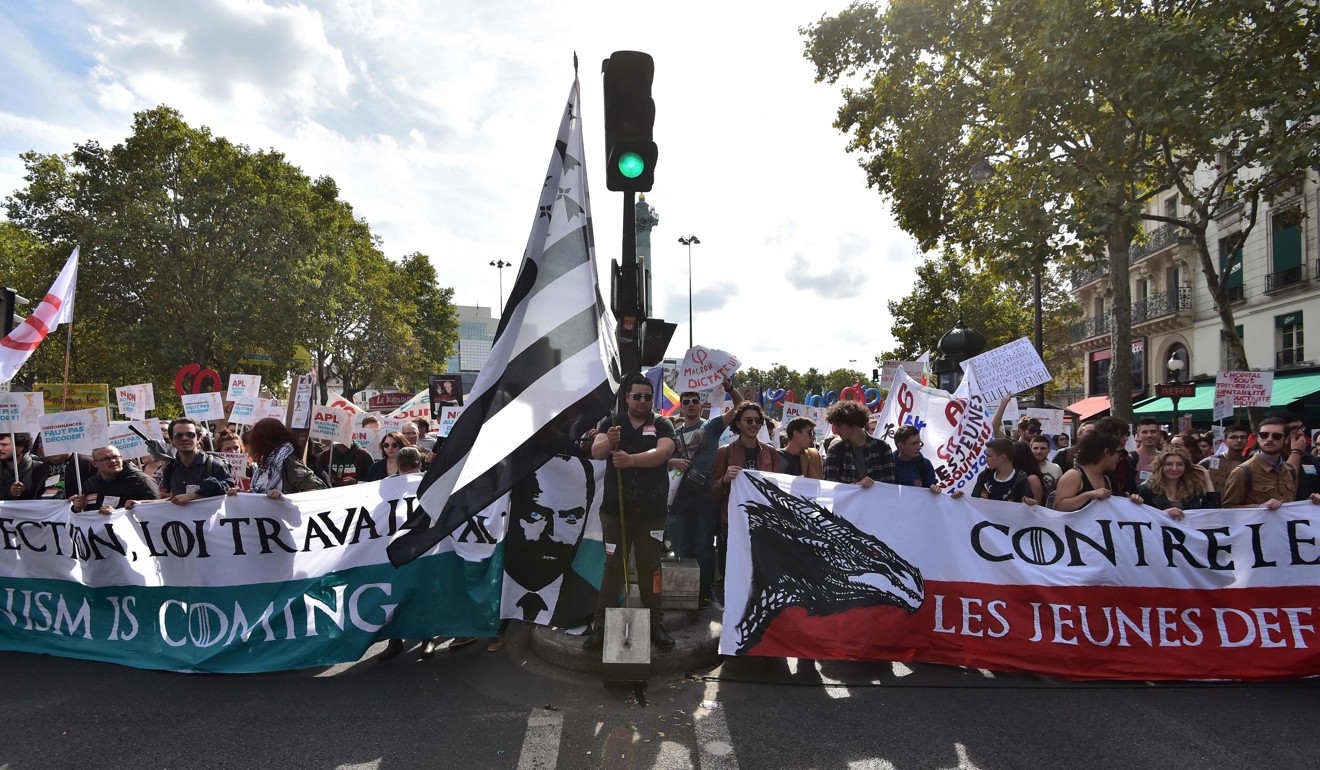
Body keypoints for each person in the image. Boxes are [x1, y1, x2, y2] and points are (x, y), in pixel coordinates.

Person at [583, 374, 676, 652]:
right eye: (637, 396)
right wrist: (608, 441)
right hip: (615, 512)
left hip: (652, 513)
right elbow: (597, 452)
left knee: (651, 568)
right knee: (612, 567)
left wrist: (630, 460)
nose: (643, 401)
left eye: (647, 397)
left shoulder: (662, 423)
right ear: (627, 397)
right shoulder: (611, 423)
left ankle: (656, 624)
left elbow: (663, 453)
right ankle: (600, 627)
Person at [666, 378, 741, 610]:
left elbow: (740, 406)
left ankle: (706, 592)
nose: (690, 404)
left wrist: (729, 388)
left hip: (705, 495)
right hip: (680, 496)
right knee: (681, 545)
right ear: (681, 406)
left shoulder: (711, 426)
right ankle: (683, 591)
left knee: (704, 546)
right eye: (686, 401)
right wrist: (671, 460)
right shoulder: (672, 432)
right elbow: (660, 456)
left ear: (700, 405)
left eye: (694, 401)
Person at [710, 402, 782, 606]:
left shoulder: (771, 453)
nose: (754, 424)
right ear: (738, 424)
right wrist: (725, 480)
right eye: (748, 420)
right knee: (733, 572)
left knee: (759, 571)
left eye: (757, 421)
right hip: (732, 522)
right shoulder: (725, 452)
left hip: (761, 523)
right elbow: (713, 493)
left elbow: (777, 490)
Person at [1223, 416, 1320, 509]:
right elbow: (1228, 508)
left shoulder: (1291, 471)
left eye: (1276, 436)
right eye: (1264, 435)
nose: (1269, 439)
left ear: (1286, 439)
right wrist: (1260, 507)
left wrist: (1309, 503)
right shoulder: (1242, 471)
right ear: (1258, 438)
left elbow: (1290, 506)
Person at [153, 418, 232, 505]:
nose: (184, 438)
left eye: (190, 434)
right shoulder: (170, 468)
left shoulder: (214, 464)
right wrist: (141, 503)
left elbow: (228, 488)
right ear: (171, 440)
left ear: (198, 438)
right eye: (179, 435)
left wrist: (194, 496)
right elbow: (173, 498)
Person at [244, 418, 326, 500]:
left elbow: (318, 488)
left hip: (284, 512)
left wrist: (285, 497)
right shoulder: (264, 465)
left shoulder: (289, 462)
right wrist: (241, 493)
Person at [1130, 447, 1219, 521]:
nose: (1174, 468)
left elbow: (1213, 514)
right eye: (1169, 464)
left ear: (1186, 467)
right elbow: (1140, 518)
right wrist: (1163, 514)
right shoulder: (1147, 489)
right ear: (1161, 466)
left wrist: (1208, 481)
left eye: (1180, 464)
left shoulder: (1195, 489)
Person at [824, 400, 895, 487]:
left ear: (852, 421)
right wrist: (856, 486)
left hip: (877, 500)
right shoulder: (835, 450)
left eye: (838, 425)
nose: (836, 430)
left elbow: (890, 486)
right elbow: (830, 487)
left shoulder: (883, 448)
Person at [69, 446, 159, 514]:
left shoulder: (141, 481)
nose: (112, 461)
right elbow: (84, 513)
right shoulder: (90, 484)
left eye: (116, 457)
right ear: (94, 463)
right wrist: (77, 508)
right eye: (106, 459)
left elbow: (155, 511)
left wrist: (118, 514)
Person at [1052, 432, 1124, 512]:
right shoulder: (1074, 476)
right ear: (1107, 452)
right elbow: (1060, 506)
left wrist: (1131, 503)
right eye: (1118, 454)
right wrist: (1088, 495)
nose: (1119, 459)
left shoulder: (1106, 479)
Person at [959, 439, 1035, 504]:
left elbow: (1026, 508)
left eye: (989, 456)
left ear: (1002, 458)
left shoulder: (1020, 479)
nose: (985, 459)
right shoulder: (985, 476)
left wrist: (1028, 502)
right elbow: (974, 502)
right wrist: (961, 498)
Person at [1277, 411, 1320, 501]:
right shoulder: (1270, 459)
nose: (1300, 433)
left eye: (1301, 428)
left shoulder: (1309, 459)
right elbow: (1285, 481)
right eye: (1294, 429)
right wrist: (1296, 452)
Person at [1093, 416, 1137, 496]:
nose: (1126, 438)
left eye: (1127, 434)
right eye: (1120, 435)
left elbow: (1132, 490)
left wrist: (1134, 497)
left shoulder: (1127, 459)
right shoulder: (1090, 463)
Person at [0, 433, 48, 500]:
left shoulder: (39, 469)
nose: (0, 448)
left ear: (20, 447)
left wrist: (23, 492)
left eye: (4, 445)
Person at [891, 425, 938, 491]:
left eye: (919, 443)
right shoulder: (889, 466)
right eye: (914, 443)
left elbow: (931, 490)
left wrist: (934, 488)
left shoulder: (925, 464)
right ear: (900, 446)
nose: (919, 447)